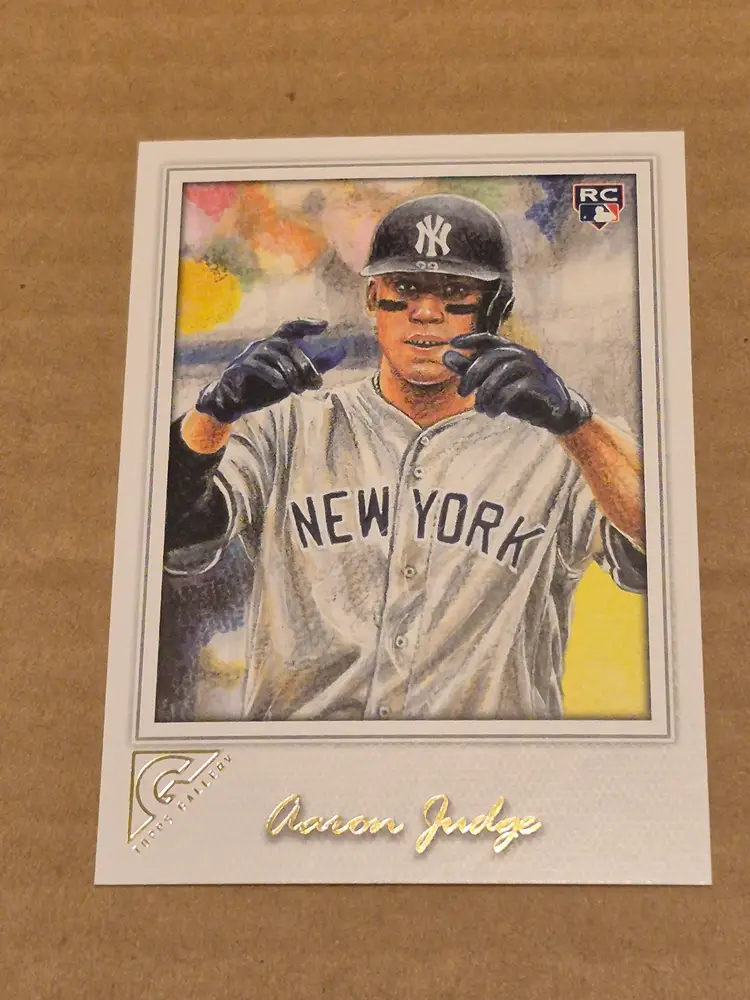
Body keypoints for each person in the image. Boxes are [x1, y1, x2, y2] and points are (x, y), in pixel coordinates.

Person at [165, 193, 646, 722]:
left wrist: (576, 426)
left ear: (495, 307)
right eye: (405, 287)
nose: (426, 311)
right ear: (373, 297)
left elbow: (668, 552)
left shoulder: (566, 448)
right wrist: (213, 414)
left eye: (454, 290)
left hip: (488, 766)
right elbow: (172, 537)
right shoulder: (288, 426)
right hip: (305, 761)